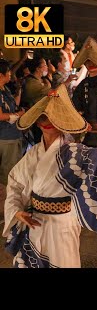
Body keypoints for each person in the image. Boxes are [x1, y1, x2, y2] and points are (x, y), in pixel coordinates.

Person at [3, 84, 97, 268]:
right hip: (34, 220)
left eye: (54, 117)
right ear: (37, 121)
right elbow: (15, 183)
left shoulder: (73, 151)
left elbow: (93, 155)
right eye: (44, 117)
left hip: (62, 223)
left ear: (62, 121)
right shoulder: (33, 153)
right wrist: (16, 210)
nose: (48, 121)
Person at [0, 60, 25, 210]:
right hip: (6, 137)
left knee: (8, 171)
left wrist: (19, 92)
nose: (11, 74)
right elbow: (1, 115)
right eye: (8, 72)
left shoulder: (4, 89)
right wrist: (16, 115)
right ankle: (6, 208)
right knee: (8, 173)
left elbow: (13, 105)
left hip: (11, 135)